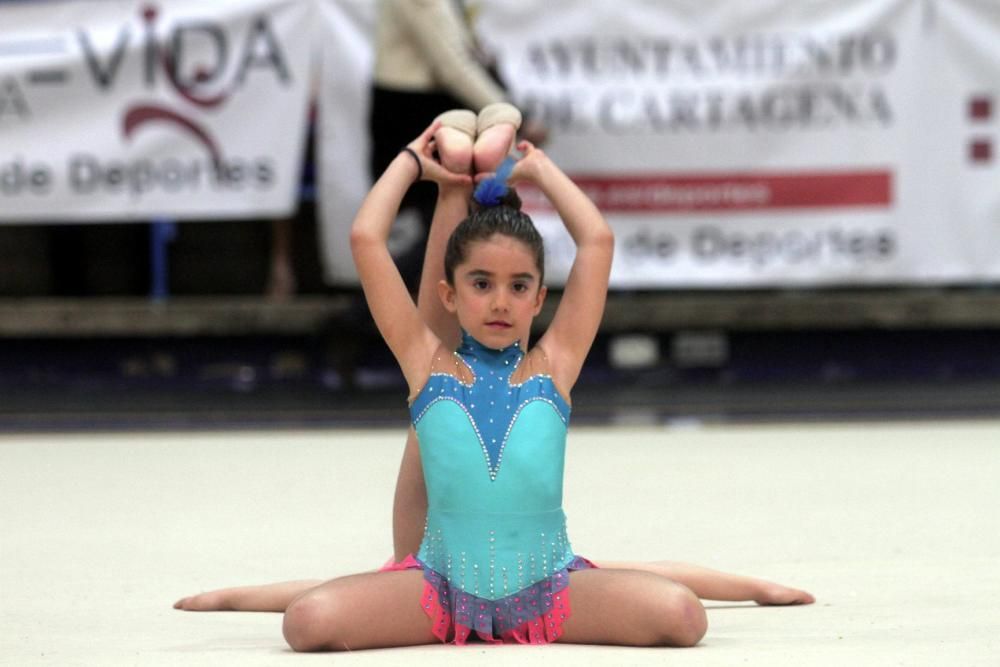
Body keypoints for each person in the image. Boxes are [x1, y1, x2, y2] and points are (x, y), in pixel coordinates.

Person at [176, 114, 813, 650]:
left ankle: (486, 137)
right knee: (307, 621)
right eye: (481, 284)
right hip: (440, 590)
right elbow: (366, 237)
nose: (500, 302)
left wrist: (538, 171)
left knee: (682, 615)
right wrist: (411, 161)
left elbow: (596, 240)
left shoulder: (554, 364)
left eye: (518, 287)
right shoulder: (428, 363)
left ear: (540, 299)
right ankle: (461, 148)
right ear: (449, 296)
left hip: (552, 587)